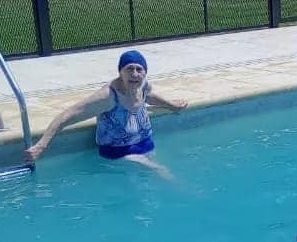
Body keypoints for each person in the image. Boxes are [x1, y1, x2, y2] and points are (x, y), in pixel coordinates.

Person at [23, 50, 187, 174]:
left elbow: (149, 97)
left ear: (145, 72)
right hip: (118, 153)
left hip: (145, 145)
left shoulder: (143, 86)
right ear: (120, 72)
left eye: (139, 69)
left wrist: (171, 105)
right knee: (163, 173)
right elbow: (67, 115)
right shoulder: (108, 96)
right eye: (129, 69)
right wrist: (41, 145)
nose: (135, 74)